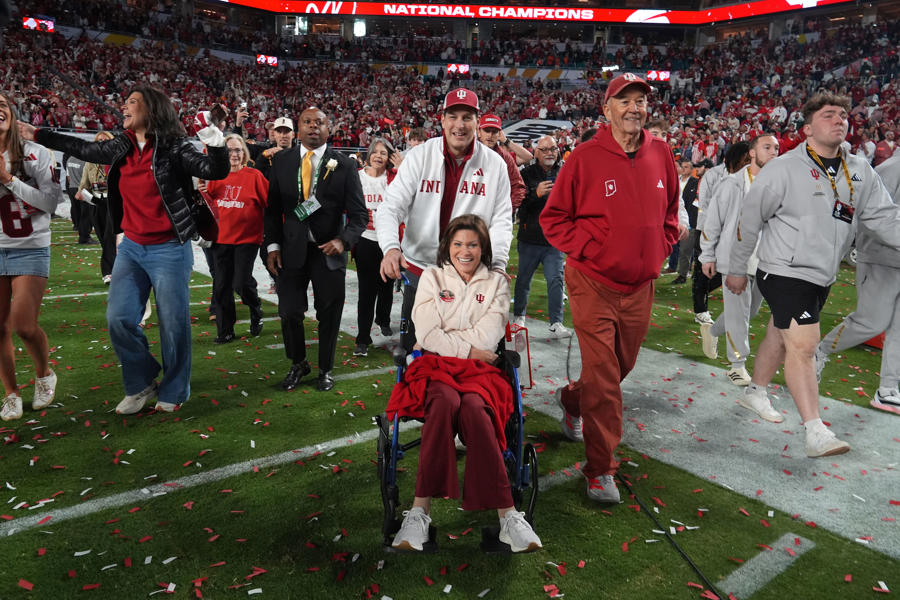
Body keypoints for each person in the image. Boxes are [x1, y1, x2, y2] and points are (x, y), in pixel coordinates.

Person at [21, 85, 230, 414]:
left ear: (153, 109)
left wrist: (214, 139)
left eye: (132, 102)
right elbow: (84, 149)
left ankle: (175, 389)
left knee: (173, 325)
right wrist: (38, 134)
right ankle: (142, 382)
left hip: (169, 248)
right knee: (118, 318)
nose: (124, 107)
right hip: (132, 246)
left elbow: (214, 170)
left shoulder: (174, 147)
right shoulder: (122, 144)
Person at [726, 93, 900, 457]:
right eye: (828, 115)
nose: (839, 120)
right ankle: (815, 430)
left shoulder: (860, 169)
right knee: (804, 346)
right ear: (807, 129)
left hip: (823, 274)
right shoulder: (783, 168)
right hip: (784, 269)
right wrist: (738, 268)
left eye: (843, 115)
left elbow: (884, 217)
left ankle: (755, 391)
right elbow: (749, 220)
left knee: (779, 333)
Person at [540, 74, 680, 503]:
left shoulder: (662, 152)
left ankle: (572, 400)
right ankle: (601, 469)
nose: (635, 108)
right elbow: (553, 218)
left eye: (641, 101)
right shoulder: (584, 156)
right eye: (625, 101)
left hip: (640, 286)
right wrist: (592, 249)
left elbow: (671, 212)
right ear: (607, 110)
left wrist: (661, 245)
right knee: (604, 378)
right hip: (593, 282)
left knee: (618, 369)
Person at [387, 214, 542, 553]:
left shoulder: (496, 283)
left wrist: (453, 342)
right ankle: (419, 512)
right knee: (443, 402)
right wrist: (469, 350)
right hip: (436, 367)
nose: (465, 251)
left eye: (472, 244)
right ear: (448, 246)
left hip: (479, 374)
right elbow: (426, 332)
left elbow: (489, 336)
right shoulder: (432, 277)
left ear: (483, 247)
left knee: (474, 409)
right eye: (458, 244)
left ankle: (508, 517)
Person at [376, 88, 512, 352]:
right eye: (453, 116)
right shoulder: (419, 156)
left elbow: (502, 220)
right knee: (416, 350)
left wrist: (497, 265)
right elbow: (391, 207)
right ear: (442, 120)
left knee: (470, 351)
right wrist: (391, 248)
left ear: (477, 121)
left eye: (467, 117)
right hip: (419, 269)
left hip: (470, 273)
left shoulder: (495, 165)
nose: (459, 125)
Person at [264, 107, 367, 392]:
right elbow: (272, 210)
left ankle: (325, 369)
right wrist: (272, 245)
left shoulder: (344, 164)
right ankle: (298, 363)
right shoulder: (281, 161)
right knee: (289, 311)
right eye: (307, 122)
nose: (313, 127)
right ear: (298, 129)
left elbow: (359, 215)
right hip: (290, 249)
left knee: (329, 313)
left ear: (328, 129)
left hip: (328, 251)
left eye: (319, 122)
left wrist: (343, 241)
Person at [815, 153, 900, 414]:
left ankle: (888, 389)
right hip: (881, 257)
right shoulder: (891, 168)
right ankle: (819, 350)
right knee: (870, 322)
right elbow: (870, 215)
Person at [699, 134, 780, 385]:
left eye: (777, 148)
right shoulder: (732, 184)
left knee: (750, 311)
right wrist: (707, 255)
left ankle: (712, 331)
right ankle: (737, 365)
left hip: (764, 259)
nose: (773, 152)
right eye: (767, 147)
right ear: (752, 153)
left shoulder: (779, 185)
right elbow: (713, 221)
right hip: (734, 258)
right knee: (738, 314)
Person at [0, 91, 59, 421]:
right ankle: (11, 393)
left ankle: (44, 374)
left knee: (23, 325)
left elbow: (50, 203)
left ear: (11, 113)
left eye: (1, 104)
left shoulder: (35, 153)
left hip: (29, 246)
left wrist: (8, 179)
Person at [201, 134, 267, 343]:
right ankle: (225, 331)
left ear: (244, 152)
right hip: (221, 239)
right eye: (229, 150)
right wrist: (202, 193)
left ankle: (255, 307)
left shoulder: (255, 176)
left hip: (248, 239)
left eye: (238, 150)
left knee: (241, 283)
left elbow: (270, 203)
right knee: (221, 286)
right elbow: (209, 205)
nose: (234, 154)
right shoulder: (216, 176)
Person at [513, 135, 569, 337]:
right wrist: (535, 194)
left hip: (554, 238)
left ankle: (556, 322)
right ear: (536, 153)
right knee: (523, 279)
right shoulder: (526, 173)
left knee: (556, 280)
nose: (549, 153)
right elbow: (519, 206)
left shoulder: (565, 172)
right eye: (544, 149)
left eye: (552, 149)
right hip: (530, 236)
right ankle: (519, 316)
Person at [353, 137, 397, 357]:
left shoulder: (394, 178)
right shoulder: (357, 177)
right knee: (366, 290)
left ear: (389, 158)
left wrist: (401, 168)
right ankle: (362, 338)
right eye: (375, 151)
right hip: (365, 239)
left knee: (386, 285)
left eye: (384, 153)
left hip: (389, 242)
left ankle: (384, 319)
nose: (379, 156)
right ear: (369, 154)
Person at [694, 148, 748, 324]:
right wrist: (722, 220)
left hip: (733, 233)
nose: (747, 164)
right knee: (703, 271)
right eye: (745, 159)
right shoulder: (713, 175)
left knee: (720, 272)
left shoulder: (750, 178)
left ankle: (702, 293)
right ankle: (701, 309)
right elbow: (705, 204)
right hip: (707, 228)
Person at [75, 130, 116, 284]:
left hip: (113, 202)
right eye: (99, 140)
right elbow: (84, 184)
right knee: (103, 238)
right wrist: (80, 193)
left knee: (110, 237)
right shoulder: (90, 162)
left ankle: (108, 272)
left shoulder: (117, 159)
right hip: (96, 202)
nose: (101, 143)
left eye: (105, 140)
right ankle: (115, 268)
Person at [476, 114, 525, 210]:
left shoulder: (505, 157)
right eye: (487, 130)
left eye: (494, 132)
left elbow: (518, 187)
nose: (490, 135)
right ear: (479, 132)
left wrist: (506, 210)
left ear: (499, 134)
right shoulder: (465, 151)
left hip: (495, 212)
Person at [672, 159, 700, 284]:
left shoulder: (696, 182)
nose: (683, 169)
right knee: (678, 248)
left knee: (687, 249)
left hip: (690, 219)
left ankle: (686, 274)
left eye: (686, 167)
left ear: (691, 169)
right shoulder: (675, 180)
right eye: (682, 167)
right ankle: (679, 271)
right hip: (676, 218)